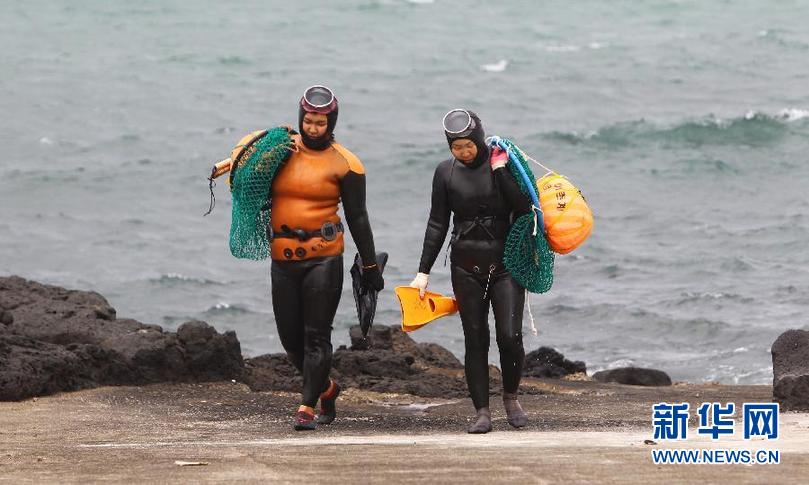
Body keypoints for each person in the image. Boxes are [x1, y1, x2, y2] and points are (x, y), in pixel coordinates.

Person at [409, 109, 530, 433]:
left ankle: (510, 397)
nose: (462, 152)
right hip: (465, 268)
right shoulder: (445, 173)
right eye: (456, 147)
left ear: (478, 139)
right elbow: (437, 223)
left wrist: (501, 170)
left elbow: (524, 207)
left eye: (468, 146)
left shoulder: (503, 165)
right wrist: (423, 272)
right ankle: (482, 412)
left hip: (506, 265)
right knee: (475, 339)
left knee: (510, 336)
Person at [270, 85, 383, 430]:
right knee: (291, 342)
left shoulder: (347, 164)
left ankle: (306, 407)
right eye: (308, 121)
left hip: (324, 258)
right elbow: (249, 185)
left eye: (320, 122)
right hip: (283, 259)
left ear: (331, 122)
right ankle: (327, 389)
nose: (313, 128)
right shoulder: (280, 152)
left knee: (316, 335)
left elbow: (358, 217)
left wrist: (370, 265)